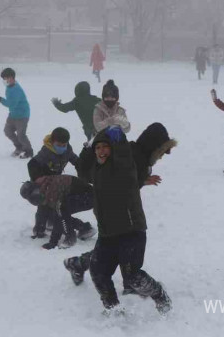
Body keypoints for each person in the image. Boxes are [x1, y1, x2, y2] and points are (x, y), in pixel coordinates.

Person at [62, 128, 171, 315]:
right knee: (98, 272)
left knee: (132, 277)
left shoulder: (123, 166)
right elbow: (82, 170)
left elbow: (124, 157)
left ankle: (159, 295)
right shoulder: (96, 170)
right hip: (107, 232)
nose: (102, 151)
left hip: (131, 231)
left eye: (106, 147)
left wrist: (119, 140)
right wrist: (88, 146)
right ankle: (113, 309)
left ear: (113, 149)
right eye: (98, 148)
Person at [27, 127, 83, 240]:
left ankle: (56, 222)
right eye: (59, 145)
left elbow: (75, 160)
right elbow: (31, 164)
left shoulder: (67, 150)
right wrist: (37, 178)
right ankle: (39, 228)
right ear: (52, 142)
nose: (62, 147)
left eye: (64, 145)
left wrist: (82, 168)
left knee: (56, 207)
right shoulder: (46, 152)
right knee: (43, 206)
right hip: (45, 183)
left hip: (57, 183)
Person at [20, 175, 96, 250]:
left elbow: (58, 216)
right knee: (54, 211)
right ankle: (85, 228)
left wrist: (53, 242)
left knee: (61, 210)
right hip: (78, 196)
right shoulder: (43, 187)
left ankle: (70, 238)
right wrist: (39, 230)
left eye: (33, 195)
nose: (33, 198)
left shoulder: (51, 189)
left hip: (89, 197)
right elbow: (42, 209)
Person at [0, 67, 33, 158]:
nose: (4, 80)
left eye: (5, 78)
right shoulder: (9, 86)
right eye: (3, 79)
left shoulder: (16, 90)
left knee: (21, 135)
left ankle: (29, 151)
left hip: (22, 115)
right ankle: (19, 147)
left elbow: (11, 104)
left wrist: (0, 99)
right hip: (13, 114)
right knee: (8, 131)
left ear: (11, 78)